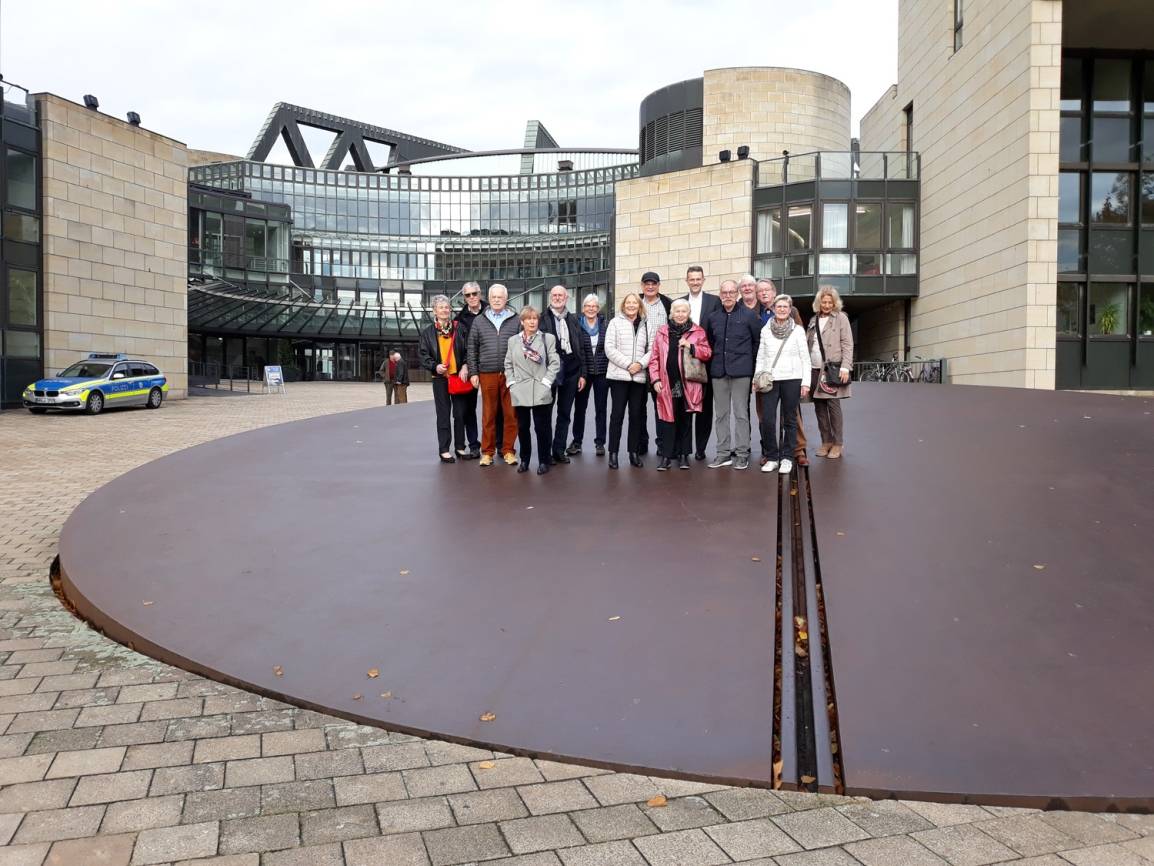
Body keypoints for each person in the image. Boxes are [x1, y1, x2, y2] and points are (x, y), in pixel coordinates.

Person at [703, 279, 762, 470]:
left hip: (741, 372)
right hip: (719, 372)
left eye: (731, 292)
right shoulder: (713, 318)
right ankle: (723, 453)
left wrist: (751, 369)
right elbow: (710, 343)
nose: (727, 296)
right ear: (720, 295)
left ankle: (742, 453)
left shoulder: (749, 316)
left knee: (740, 414)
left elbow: (757, 343)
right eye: (724, 292)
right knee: (721, 415)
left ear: (737, 294)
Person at [648, 299, 713, 470]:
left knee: (685, 419)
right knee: (667, 420)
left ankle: (684, 456)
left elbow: (707, 353)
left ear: (688, 313)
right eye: (677, 311)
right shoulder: (662, 332)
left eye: (684, 311)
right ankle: (667, 456)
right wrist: (655, 379)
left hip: (688, 384)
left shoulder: (697, 331)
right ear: (672, 313)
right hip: (667, 383)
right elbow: (654, 358)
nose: (680, 314)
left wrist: (691, 346)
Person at [754, 278, 810, 466]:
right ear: (774, 308)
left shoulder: (797, 329)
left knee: (790, 419)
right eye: (779, 307)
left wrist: (805, 382)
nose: (782, 309)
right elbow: (761, 355)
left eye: (785, 307)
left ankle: (789, 455)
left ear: (789, 309)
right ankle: (771, 455)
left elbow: (805, 358)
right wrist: (757, 377)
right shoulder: (765, 328)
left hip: (792, 378)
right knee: (767, 419)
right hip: (770, 379)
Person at [467, 284, 522, 467]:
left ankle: (508, 451)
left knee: (511, 414)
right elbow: (472, 348)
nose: (497, 300)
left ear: (506, 299)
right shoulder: (479, 321)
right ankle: (487, 452)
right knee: (488, 415)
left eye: (500, 297)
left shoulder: (515, 320)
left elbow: (522, 347)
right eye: (493, 297)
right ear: (489, 299)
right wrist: (474, 372)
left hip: (510, 374)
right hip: (487, 373)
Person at [504, 306, 561, 475]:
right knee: (522, 427)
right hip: (520, 389)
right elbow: (508, 364)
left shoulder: (547, 338)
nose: (532, 321)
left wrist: (546, 382)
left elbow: (555, 363)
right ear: (522, 322)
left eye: (535, 318)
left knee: (542, 428)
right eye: (528, 318)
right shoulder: (513, 341)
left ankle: (544, 461)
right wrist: (512, 383)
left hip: (540, 388)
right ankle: (525, 460)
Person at [417, 295, 472, 463]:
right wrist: (435, 366)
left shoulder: (460, 328)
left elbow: (468, 349)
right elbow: (423, 354)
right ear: (434, 311)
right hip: (440, 378)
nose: (444, 310)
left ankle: (460, 447)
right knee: (443, 414)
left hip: (458, 377)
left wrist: (465, 365)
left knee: (460, 414)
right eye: (441, 308)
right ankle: (444, 449)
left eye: (447, 307)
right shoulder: (427, 333)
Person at [538, 285, 588, 465]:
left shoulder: (573, 319)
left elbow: (581, 346)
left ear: (566, 298)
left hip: (572, 372)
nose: (557, 298)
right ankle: (546, 454)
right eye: (554, 295)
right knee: (545, 414)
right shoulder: (542, 318)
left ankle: (558, 450)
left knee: (565, 413)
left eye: (561, 295)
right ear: (550, 297)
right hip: (549, 373)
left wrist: (582, 373)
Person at [807, 285, 854, 460]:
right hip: (813, 369)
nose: (826, 305)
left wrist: (845, 367)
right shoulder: (813, 319)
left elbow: (848, 344)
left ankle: (838, 443)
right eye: (823, 302)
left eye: (829, 302)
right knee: (819, 406)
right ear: (818, 303)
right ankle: (825, 441)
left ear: (835, 303)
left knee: (833, 406)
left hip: (831, 369)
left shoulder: (841, 318)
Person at [604, 292, 650, 470]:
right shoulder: (615, 322)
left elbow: (652, 348)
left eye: (635, 303)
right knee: (617, 415)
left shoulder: (646, 324)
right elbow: (609, 348)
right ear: (623, 305)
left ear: (639, 306)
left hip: (638, 377)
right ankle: (613, 453)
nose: (631, 305)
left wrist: (639, 364)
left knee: (636, 416)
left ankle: (633, 452)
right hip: (619, 376)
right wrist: (629, 364)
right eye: (628, 303)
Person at [682, 265, 721, 461]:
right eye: (692, 279)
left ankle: (701, 448)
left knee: (705, 408)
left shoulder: (714, 301)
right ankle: (685, 448)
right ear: (687, 281)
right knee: (687, 406)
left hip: (708, 361)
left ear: (703, 280)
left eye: (698, 279)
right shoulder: (679, 303)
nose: (695, 282)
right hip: (686, 363)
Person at [569, 294, 609, 457]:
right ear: (583, 308)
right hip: (583, 374)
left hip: (602, 372)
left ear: (598, 309)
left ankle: (600, 443)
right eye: (588, 306)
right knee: (580, 408)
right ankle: (577, 442)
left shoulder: (605, 324)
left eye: (594, 306)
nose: (591, 309)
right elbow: (577, 351)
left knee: (601, 409)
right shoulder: (577, 325)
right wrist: (581, 374)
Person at [452, 281, 487, 458]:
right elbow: (460, 346)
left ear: (480, 294)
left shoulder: (492, 311)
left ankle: (497, 444)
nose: (472, 297)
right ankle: (474, 445)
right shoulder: (459, 320)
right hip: (471, 366)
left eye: (475, 293)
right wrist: (465, 365)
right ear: (464, 297)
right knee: (468, 409)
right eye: (468, 295)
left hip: (491, 365)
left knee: (495, 408)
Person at [639, 271, 672, 456]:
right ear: (642, 286)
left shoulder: (667, 304)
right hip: (639, 362)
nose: (650, 287)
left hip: (660, 363)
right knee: (638, 406)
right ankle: (641, 443)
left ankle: (662, 444)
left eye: (653, 284)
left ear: (659, 285)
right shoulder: (635, 303)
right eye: (647, 284)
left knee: (660, 405)